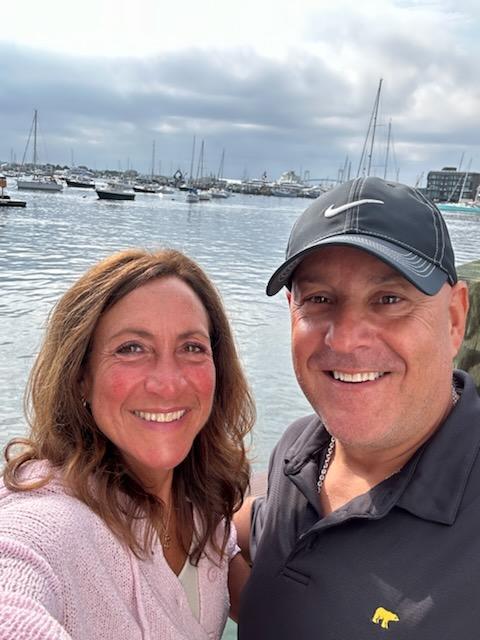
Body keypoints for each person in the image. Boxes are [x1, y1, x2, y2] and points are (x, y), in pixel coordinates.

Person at [237, 176, 479, 638]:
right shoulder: (299, 450)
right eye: (319, 299)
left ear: (454, 319)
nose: (345, 338)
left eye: (389, 299)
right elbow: (261, 534)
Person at [0, 248, 254, 639]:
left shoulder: (198, 501)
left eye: (192, 347)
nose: (168, 383)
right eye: (131, 348)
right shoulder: (52, 521)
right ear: (80, 376)